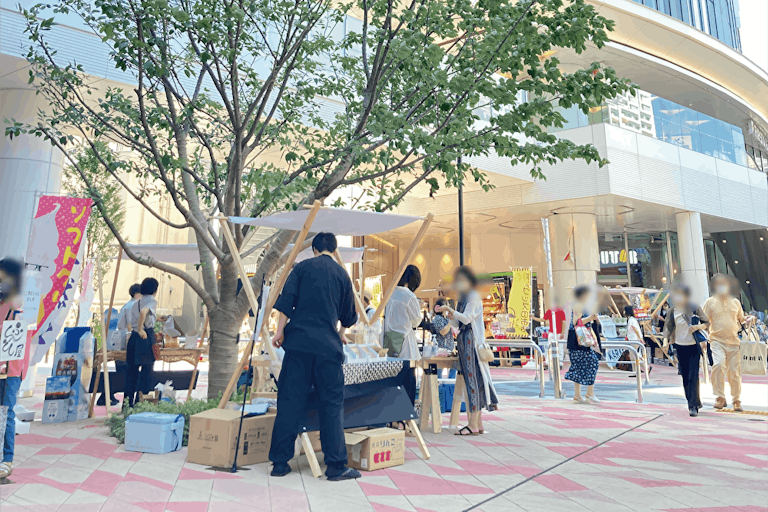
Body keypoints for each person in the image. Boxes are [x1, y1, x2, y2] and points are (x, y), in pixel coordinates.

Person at [268, 232, 360, 481]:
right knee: (331, 405)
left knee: (289, 402)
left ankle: (279, 462)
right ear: (334, 248)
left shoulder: (302, 268)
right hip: (328, 349)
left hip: (298, 345)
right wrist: (339, 333)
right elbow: (349, 317)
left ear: (315, 248)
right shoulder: (342, 274)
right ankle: (336, 466)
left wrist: (279, 333)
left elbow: (286, 303)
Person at [437, 266, 499, 436]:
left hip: (471, 341)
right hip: (465, 340)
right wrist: (451, 316)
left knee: (472, 381)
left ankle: (473, 424)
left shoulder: (472, 296)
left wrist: (452, 311)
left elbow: (467, 318)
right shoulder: (464, 297)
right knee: (473, 381)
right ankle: (477, 423)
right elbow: (459, 324)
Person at [703, 274, 753, 412]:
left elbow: (741, 318)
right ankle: (720, 397)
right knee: (718, 365)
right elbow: (705, 322)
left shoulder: (735, 302)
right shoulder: (710, 302)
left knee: (734, 373)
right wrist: (702, 338)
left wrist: (748, 319)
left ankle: (736, 400)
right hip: (716, 340)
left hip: (733, 342)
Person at [662, 283, 709, 416]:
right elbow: (668, 327)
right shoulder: (672, 311)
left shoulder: (694, 308)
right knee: (685, 376)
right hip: (680, 347)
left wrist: (697, 327)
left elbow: (707, 323)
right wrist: (665, 341)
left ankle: (692, 406)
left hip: (694, 346)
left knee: (693, 376)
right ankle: (694, 400)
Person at [0, 258, 25, 480]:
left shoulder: (18, 304)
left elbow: (21, 339)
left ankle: (6, 459)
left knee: (6, 413)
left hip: (11, 370)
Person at [97, 283, 142, 406]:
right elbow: (129, 327)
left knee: (123, 373)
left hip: (121, 342)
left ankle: (107, 395)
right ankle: (121, 398)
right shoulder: (132, 306)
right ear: (138, 294)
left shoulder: (128, 305)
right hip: (126, 343)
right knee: (128, 374)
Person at [123, 277, 158, 408]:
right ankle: (141, 404)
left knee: (131, 372)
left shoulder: (136, 303)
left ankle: (127, 405)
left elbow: (141, 313)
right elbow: (144, 312)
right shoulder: (152, 301)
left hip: (133, 338)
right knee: (146, 372)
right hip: (145, 337)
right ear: (155, 290)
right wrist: (140, 328)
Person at [564, 285, 601, 404]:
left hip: (576, 339)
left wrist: (592, 318)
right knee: (592, 362)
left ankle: (578, 395)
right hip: (578, 339)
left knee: (578, 366)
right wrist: (591, 318)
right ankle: (589, 393)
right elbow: (576, 322)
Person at [382, 265, 422, 360]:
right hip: (404, 342)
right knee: (406, 370)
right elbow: (416, 322)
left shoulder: (389, 292)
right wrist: (419, 307)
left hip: (388, 340)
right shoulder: (410, 296)